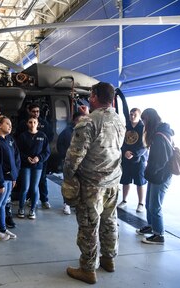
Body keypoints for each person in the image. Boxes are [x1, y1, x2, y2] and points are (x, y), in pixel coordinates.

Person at [63, 82, 126, 284]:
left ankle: (88, 269)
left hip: (92, 185)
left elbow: (74, 157)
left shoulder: (87, 122)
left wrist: (69, 178)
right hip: (113, 182)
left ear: (94, 96)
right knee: (109, 221)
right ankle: (108, 260)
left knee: (89, 226)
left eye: (91, 95)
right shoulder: (119, 119)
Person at [136, 108, 174, 245]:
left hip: (161, 176)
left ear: (149, 120)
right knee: (148, 204)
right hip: (156, 175)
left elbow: (160, 160)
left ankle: (159, 235)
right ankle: (152, 227)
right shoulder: (160, 132)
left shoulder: (159, 136)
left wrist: (148, 172)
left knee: (155, 206)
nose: (143, 123)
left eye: (144, 120)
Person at [0, 116, 21, 240]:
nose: (10, 126)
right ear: (0, 125)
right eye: (7, 123)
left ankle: (2, 229)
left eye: (11, 124)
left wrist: (14, 177)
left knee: (2, 205)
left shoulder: (8, 140)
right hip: (0, 180)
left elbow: (15, 158)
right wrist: (0, 183)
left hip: (9, 178)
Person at [16, 103, 54, 209]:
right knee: (25, 185)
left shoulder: (44, 125)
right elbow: (18, 144)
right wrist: (25, 157)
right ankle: (25, 202)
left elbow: (49, 139)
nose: (36, 113)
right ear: (29, 111)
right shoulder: (23, 125)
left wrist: (40, 156)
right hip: (26, 162)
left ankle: (44, 200)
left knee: (41, 180)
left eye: (38, 111)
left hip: (40, 160)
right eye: (34, 111)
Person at [117, 108, 148, 213]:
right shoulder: (126, 126)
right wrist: (124, 151)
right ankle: (124, 200)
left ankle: (141, 203)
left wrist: (134, 153)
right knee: (125, 180)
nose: (132, 116)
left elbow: (145, 145)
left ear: (139, 116)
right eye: (131, 114)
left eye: (135, 114)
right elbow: (121, 141)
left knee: (140, 182)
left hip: (139, 160)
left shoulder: (143, 128)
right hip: (126, 158)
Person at [56, 112, 83, 215]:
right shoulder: (67, 132)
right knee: (68, 184)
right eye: (80, 119)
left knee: (80, 184)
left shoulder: (85, 131)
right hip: (69, 163)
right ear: (75, 120)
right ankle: (66, 204)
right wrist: (66, 157)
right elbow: (60, 145)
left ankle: (77, 204)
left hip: (82, 163)